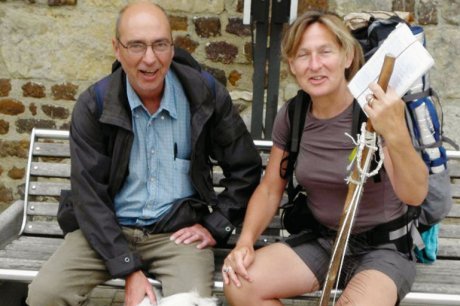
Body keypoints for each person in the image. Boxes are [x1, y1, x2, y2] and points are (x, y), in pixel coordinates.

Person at [27, 2, 261, 306]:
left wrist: (216, 225)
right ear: (117, 48)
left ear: (172, 46)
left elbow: (245, 167)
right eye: (136, 45)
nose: (150, 59)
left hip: (177, 236)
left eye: (160, 45)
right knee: (45, 295)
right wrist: (128, 268)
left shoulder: (203, 95)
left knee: (191, 302)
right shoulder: (94, 105)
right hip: (107, 231)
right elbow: (89, 197)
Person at [223, 11, 428, 306]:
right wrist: (245, 243)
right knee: (240, 284)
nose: (315, 65)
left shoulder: (378, 109)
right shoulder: (294, 115)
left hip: (383, 249)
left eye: (325, 52)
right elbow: (270, 189)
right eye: (303, 55)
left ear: (347, 57)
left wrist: (395, 132)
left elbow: (414, 194)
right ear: (292, 65)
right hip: (323, 241)